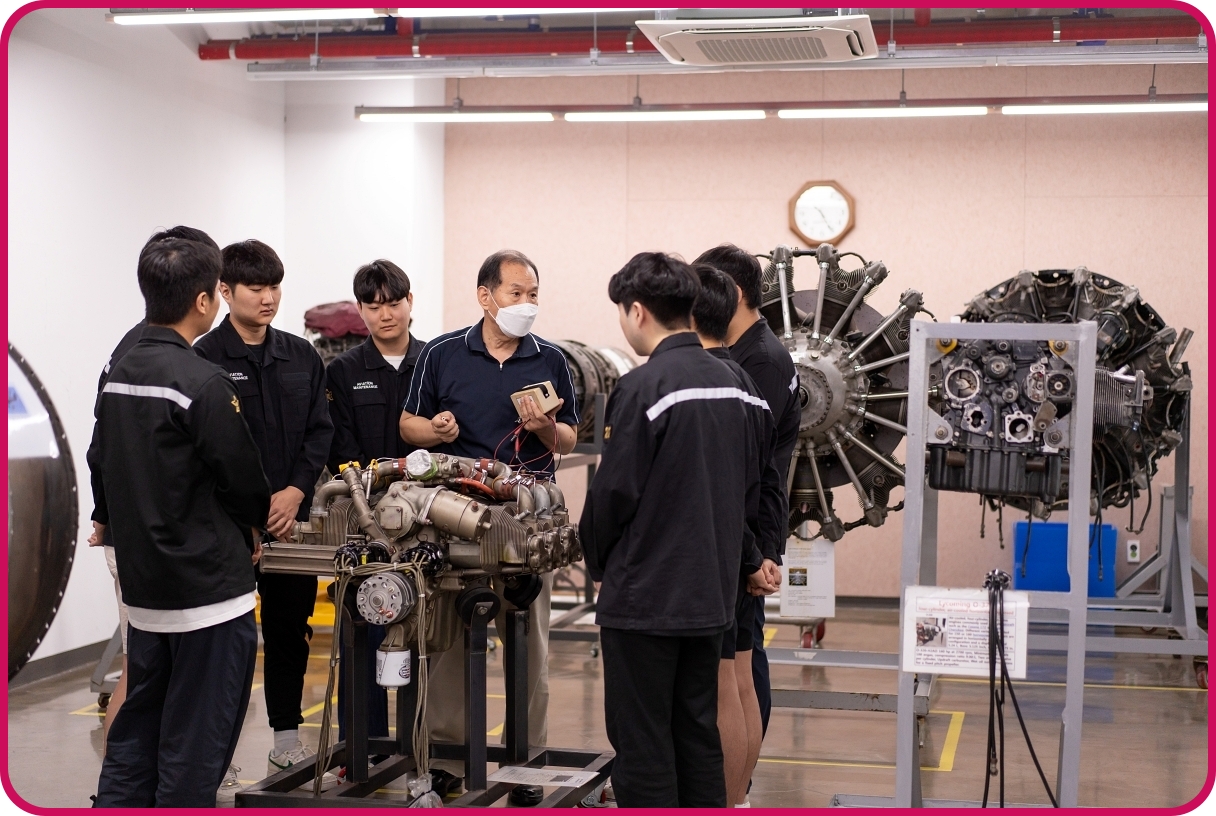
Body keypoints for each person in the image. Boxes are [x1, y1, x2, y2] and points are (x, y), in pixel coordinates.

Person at [579, 252, 766, 808]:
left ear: (637, 311)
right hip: (711, 599)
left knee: (643, 743)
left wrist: (598, 563)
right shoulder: (738, 385)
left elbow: (613, 495)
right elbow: (746, 492)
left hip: (646, 602)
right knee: (696, 734)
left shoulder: (644, 387)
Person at [89, 238, 270, 807]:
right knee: (196, 744)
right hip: (208, 596)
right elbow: (243, 480)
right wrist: (254, 528)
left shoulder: (118, 372)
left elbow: (99, 459)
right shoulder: (202, 382)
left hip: (146, 593)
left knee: (137, 734)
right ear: (203, 300)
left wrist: (106, 520)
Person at [399, 249, 577, 803]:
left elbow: (569, 439)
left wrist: (545, 428)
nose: (527, 304)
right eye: (516, 293)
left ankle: (528, 759)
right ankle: (447, 758)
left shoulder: (552, 359)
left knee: (529, 646)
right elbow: (408, 425)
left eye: (533, 294)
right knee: (449, 640)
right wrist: (434, 430)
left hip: (526, 520)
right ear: (485, 296)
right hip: (455, 519)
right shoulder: (441, 354)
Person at [194, 240, 335, 784]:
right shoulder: (204, 358)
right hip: (231, 529)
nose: (268, 297)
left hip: (291, 525)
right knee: (224, 642)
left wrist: (297, 490)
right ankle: (217, 756)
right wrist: (250, 512)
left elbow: (319, 433)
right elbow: (207, 450)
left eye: (274, 286)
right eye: (256, 288)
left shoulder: (301, 356)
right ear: (225, 292)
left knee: (289, 632)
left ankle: (286, 745)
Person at [86, 225, 220, 760]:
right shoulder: (153, 357)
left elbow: (102, 447)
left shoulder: (138, 348)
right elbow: (106, 447)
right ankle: (118, 785)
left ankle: (138, 784)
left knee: (151, 671)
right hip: (148, 539)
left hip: (135, 533)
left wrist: (104, 514)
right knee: (140, 673)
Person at [694, 244, 800, 736]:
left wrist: (759, 554)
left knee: (739, 667)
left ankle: (738, 773)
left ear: (731, 293)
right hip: (744, 536)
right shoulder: (748, 354)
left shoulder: (761, 362)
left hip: (743, 537)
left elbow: (751, 468)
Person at [690, 264, 783, 808]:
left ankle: (727, 798)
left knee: (727, 682)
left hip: (724, 552)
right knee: (740, 677)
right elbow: (765, 474)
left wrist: (753, 555)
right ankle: (737, 799)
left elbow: (723, 482)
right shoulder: (748, 377)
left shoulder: (735, 372)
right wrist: (762, 552)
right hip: (746, 545)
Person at [325, 259, 422, 746]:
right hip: (364, 523)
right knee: (362, 626)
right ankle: (359, 749)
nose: (386, 314)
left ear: (410, 302)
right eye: (373, 305)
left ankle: (422, 748)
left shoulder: (434, 361)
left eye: (394, 303)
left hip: (426, 521)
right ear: (361, 310)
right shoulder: (342, 372)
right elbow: (338, 447)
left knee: (424, 632)